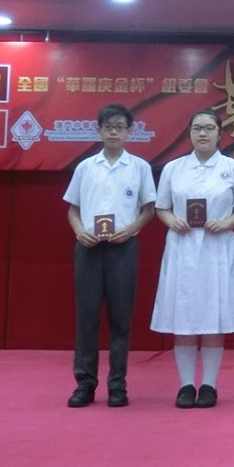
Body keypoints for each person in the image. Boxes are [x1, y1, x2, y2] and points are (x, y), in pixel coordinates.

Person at [150, 109, 234, 409]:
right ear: (190, 133)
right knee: (183, 315)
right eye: (197, 128)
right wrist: (172, 221)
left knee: (213, 316)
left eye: (209, 128)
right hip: (182, 246)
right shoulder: (173, 169)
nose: (202, 133)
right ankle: (185, 385)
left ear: (220, 133)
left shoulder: (233, 169)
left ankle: (209, 385)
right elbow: (161, 207)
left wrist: (226, 222)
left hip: (217, 247)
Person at [63, 103, 156, 408]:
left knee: (121, 319)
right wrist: (79, 231)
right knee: (86, 318)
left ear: (129, 131)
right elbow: (73, 209)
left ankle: (118, 385)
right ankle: (85, 385)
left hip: (123, 249)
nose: (114, 132)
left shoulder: (139, 167)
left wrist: (130, 230)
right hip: (89, 249)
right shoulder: (86, 167)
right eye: (108, 127)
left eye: (120, 127)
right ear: (99, 130)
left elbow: (148, 210)